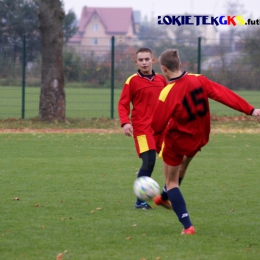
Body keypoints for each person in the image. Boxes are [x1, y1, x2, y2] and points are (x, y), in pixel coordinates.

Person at [151, 49, 260, 234]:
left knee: (172, 182)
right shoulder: (199, 79)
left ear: (163, 69)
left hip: (178, 140)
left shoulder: (168, 92)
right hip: (199, 138)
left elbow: (157, 125)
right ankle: (162, 197)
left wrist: (158, 145)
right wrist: (250, 110)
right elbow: (223, 94)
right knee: (182, 168)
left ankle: (187, 226)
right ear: (180, 65)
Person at [118, 47, 170, 209]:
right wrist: (126, 122)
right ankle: (140, 201)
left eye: (147, 59)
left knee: (173, 160)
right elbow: (123, 103)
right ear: (136, 62)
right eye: (141, 60)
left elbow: (169, 101)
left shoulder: (161, 80)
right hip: (142, 129)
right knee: (149, 162)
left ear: (152, 60)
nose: (144, 62)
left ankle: (166, 194)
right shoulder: (132, 81)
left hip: (162, 128)